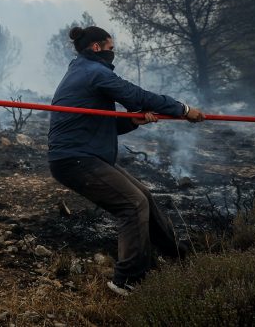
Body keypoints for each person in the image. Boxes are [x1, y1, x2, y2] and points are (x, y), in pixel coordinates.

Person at [47, 25, 204, 295]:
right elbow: (137, 96)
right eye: (111, 48)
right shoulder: (93, 72)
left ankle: (179, 259)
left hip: (85, 154)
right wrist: (183, 109)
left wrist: (132, 120)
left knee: (144, 197)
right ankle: (127, 280)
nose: (113, 53)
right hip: (75, 158)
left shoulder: (81, 71)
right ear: (96, 47)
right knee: (132, 205)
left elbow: (100, 125)